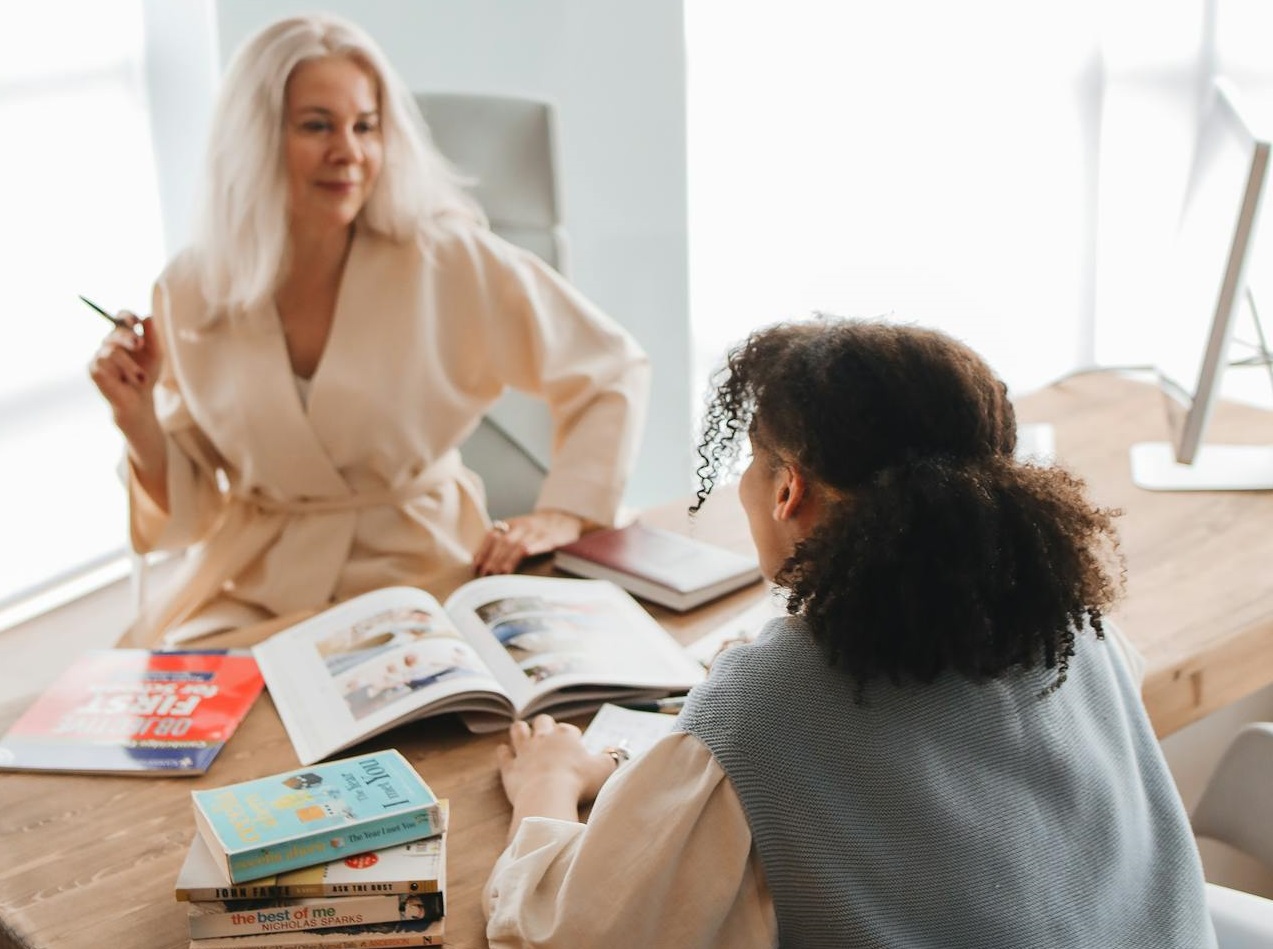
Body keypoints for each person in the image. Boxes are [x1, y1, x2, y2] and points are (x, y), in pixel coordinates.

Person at [483, 318, 1216, 947]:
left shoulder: (767, 699)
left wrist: (546, 788)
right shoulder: (1072, 626)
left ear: (786, 488)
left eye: (750, 456)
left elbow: (582, 930)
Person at [87, 14, 649, 644]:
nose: (348, 151)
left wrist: (564, 512)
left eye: (365, 126)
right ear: (254, 138)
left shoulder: (446, 259)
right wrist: (136, 421)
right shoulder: (191, 290)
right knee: (189, 728)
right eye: (316, 125)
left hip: (419, 575)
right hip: (256, 589)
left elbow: (608, 368)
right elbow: (192, 517)